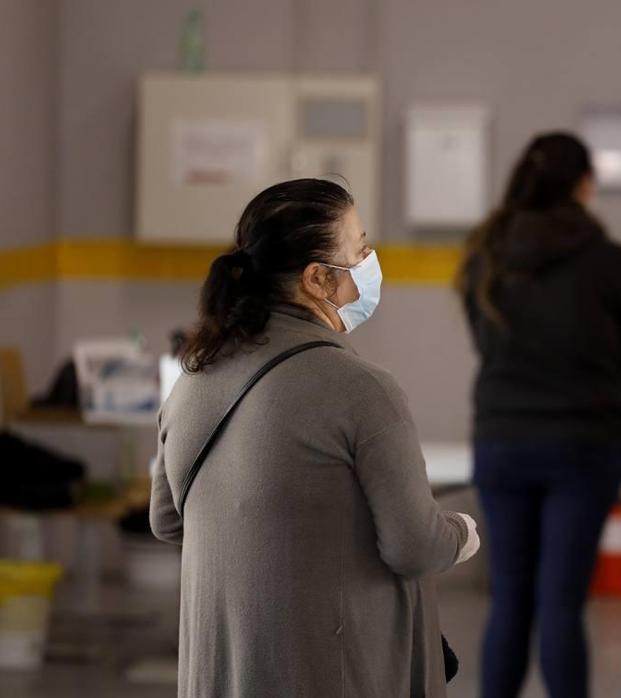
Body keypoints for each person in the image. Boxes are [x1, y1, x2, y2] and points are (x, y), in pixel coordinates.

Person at [150, 178, 479, 698]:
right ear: (319, 279)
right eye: (362, 248)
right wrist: (462, 532)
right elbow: (415, 546)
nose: (372, 262)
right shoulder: (361, 389)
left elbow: (168, 521)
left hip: (218, 674)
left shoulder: (194, 377)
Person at [458, 132, 621, 698]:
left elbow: (485, 340)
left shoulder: (486, 257)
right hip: (585, 444)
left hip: (502, 439)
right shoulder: (611, 262)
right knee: (560, 603)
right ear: (584, 185)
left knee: (509, 597)